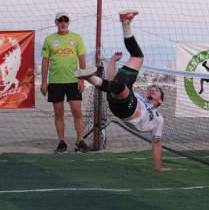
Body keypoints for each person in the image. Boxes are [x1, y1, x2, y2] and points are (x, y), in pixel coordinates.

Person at [75, 10, 168, 172]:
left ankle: (89, 77)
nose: (153, 89)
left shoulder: (159, 118)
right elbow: (112, 80)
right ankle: (126, 23)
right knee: (138, 57)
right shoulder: (139, 96)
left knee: (122, 88)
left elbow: (157, 142)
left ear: (160, 100)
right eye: (152, 88)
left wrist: (158, 166)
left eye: (157, 90)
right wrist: (112, 61)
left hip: (128, 111)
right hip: (123, 100)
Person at [41, 12, 87, 153]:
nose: (63, 23)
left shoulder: (77, 38)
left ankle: (80, 141)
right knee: (59, 112)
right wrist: (44, 82)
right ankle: (62, 142)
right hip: (55, 82)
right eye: (60, 20)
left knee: (77, 111)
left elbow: (82, 59)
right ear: (56, 22)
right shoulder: (49, 40)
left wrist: (81, 78)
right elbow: (45, 61)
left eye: (65, 20)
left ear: (68, 22)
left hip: (73, 81)